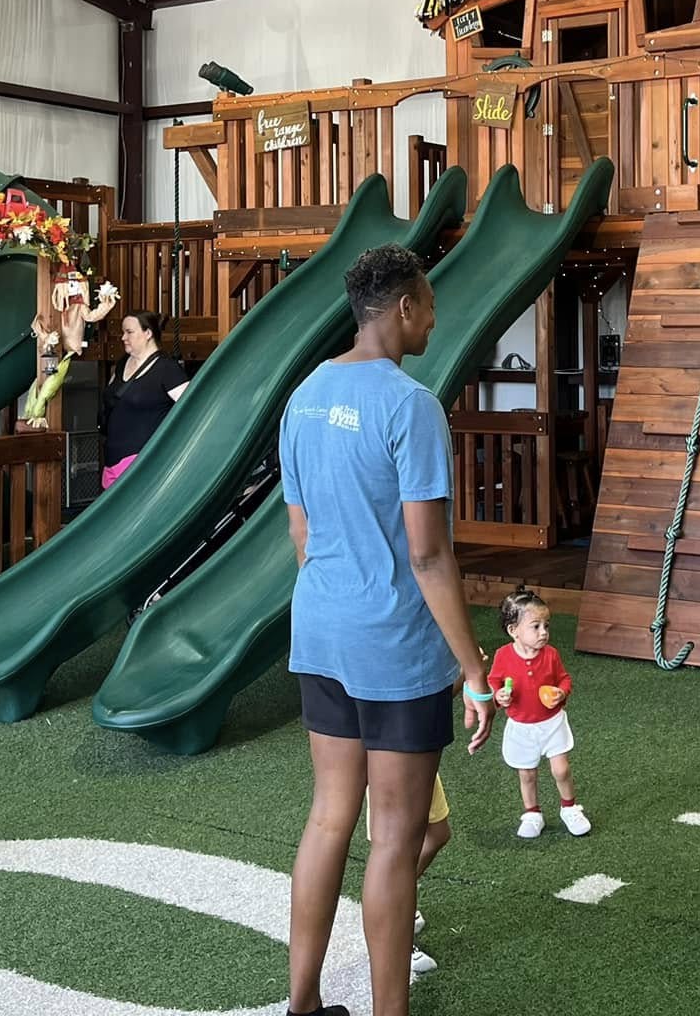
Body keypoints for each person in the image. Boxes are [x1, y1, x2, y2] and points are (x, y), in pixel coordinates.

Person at [279, 244, 494, 1016]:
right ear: (404, 308)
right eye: (429, 303)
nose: (435, 317)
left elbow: (301, 537)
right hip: (393, 643)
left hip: (320, 631)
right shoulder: (411, 405)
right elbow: (429, 554)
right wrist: (473, 668)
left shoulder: (301, 397)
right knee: (396, 838)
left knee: (329, 817)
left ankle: (302, 1006)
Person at [490, 585, 590, 838]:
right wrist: (499, 695)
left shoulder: (551, 654)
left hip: (552, 722)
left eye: (546, 625)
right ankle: (532, 813)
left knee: (561, 769)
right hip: (521, 727)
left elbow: (564, 679)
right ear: (514, 631)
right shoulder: (503, 656)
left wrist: (562, 692)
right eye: (535, 626)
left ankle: (569, 808)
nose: (543, 632)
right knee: (527, 774)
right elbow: (494, 681)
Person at [363, 777, 452, 979]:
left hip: (421, 753)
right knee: (393, 847)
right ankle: (394, 936)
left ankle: (387, 906)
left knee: (438, 833)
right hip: (392, 755)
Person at [100, 308, 188, 489]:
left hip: (144, 464)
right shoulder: (122, 363)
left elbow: (192, 410)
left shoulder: (167, 370)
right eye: (123, 332)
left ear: (148, 333)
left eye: (129, 332)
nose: (123, 337)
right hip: (111, 461)